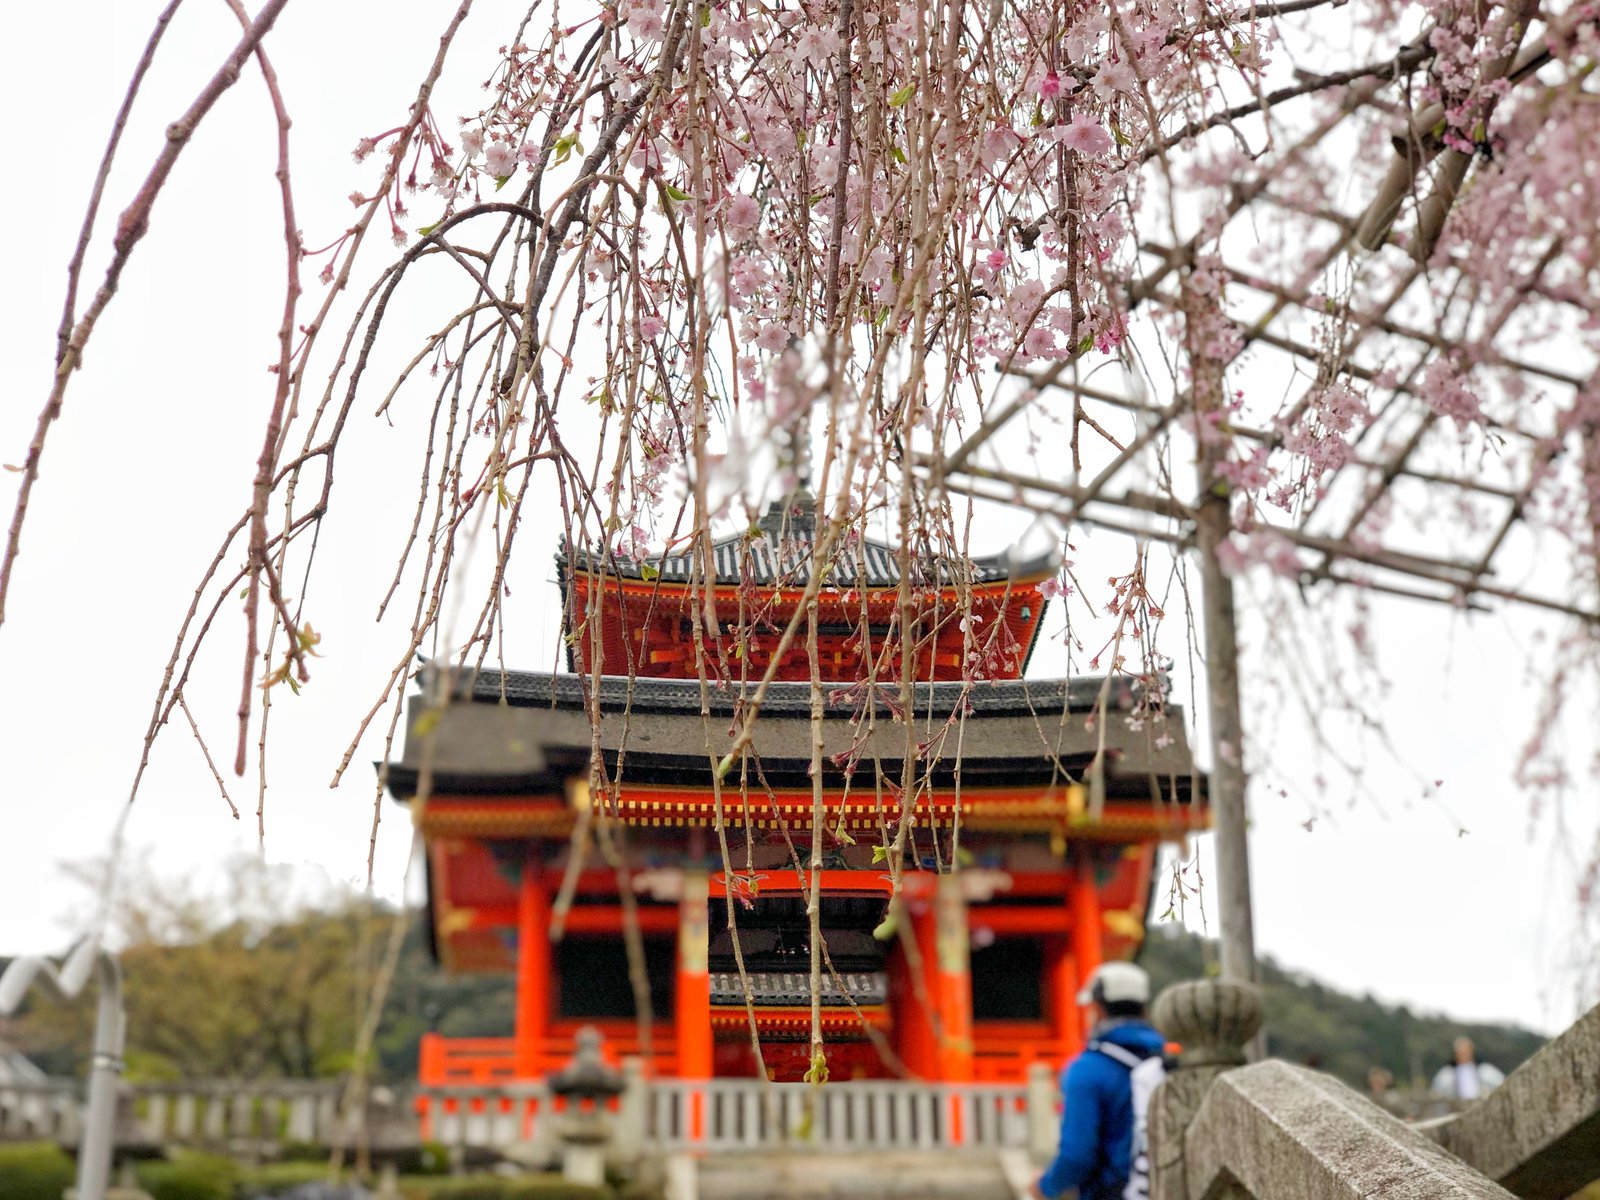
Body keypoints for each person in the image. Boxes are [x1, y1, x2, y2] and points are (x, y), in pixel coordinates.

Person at [1033, 961, 1167, 1200]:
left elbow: (1077, 1156)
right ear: (1144, 1009)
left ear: (1097, 1009)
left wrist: (1045, 1186)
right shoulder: (1168, 1060)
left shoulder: (1088, 1069)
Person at [1429, 1036, 1504, 1101]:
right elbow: (1437, 1093)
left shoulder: (1485, 1070)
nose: (1463, 1055)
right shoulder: (1447, 1073)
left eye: (1466, 1052)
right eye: (1460, 1053)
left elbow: (1500, 1084)